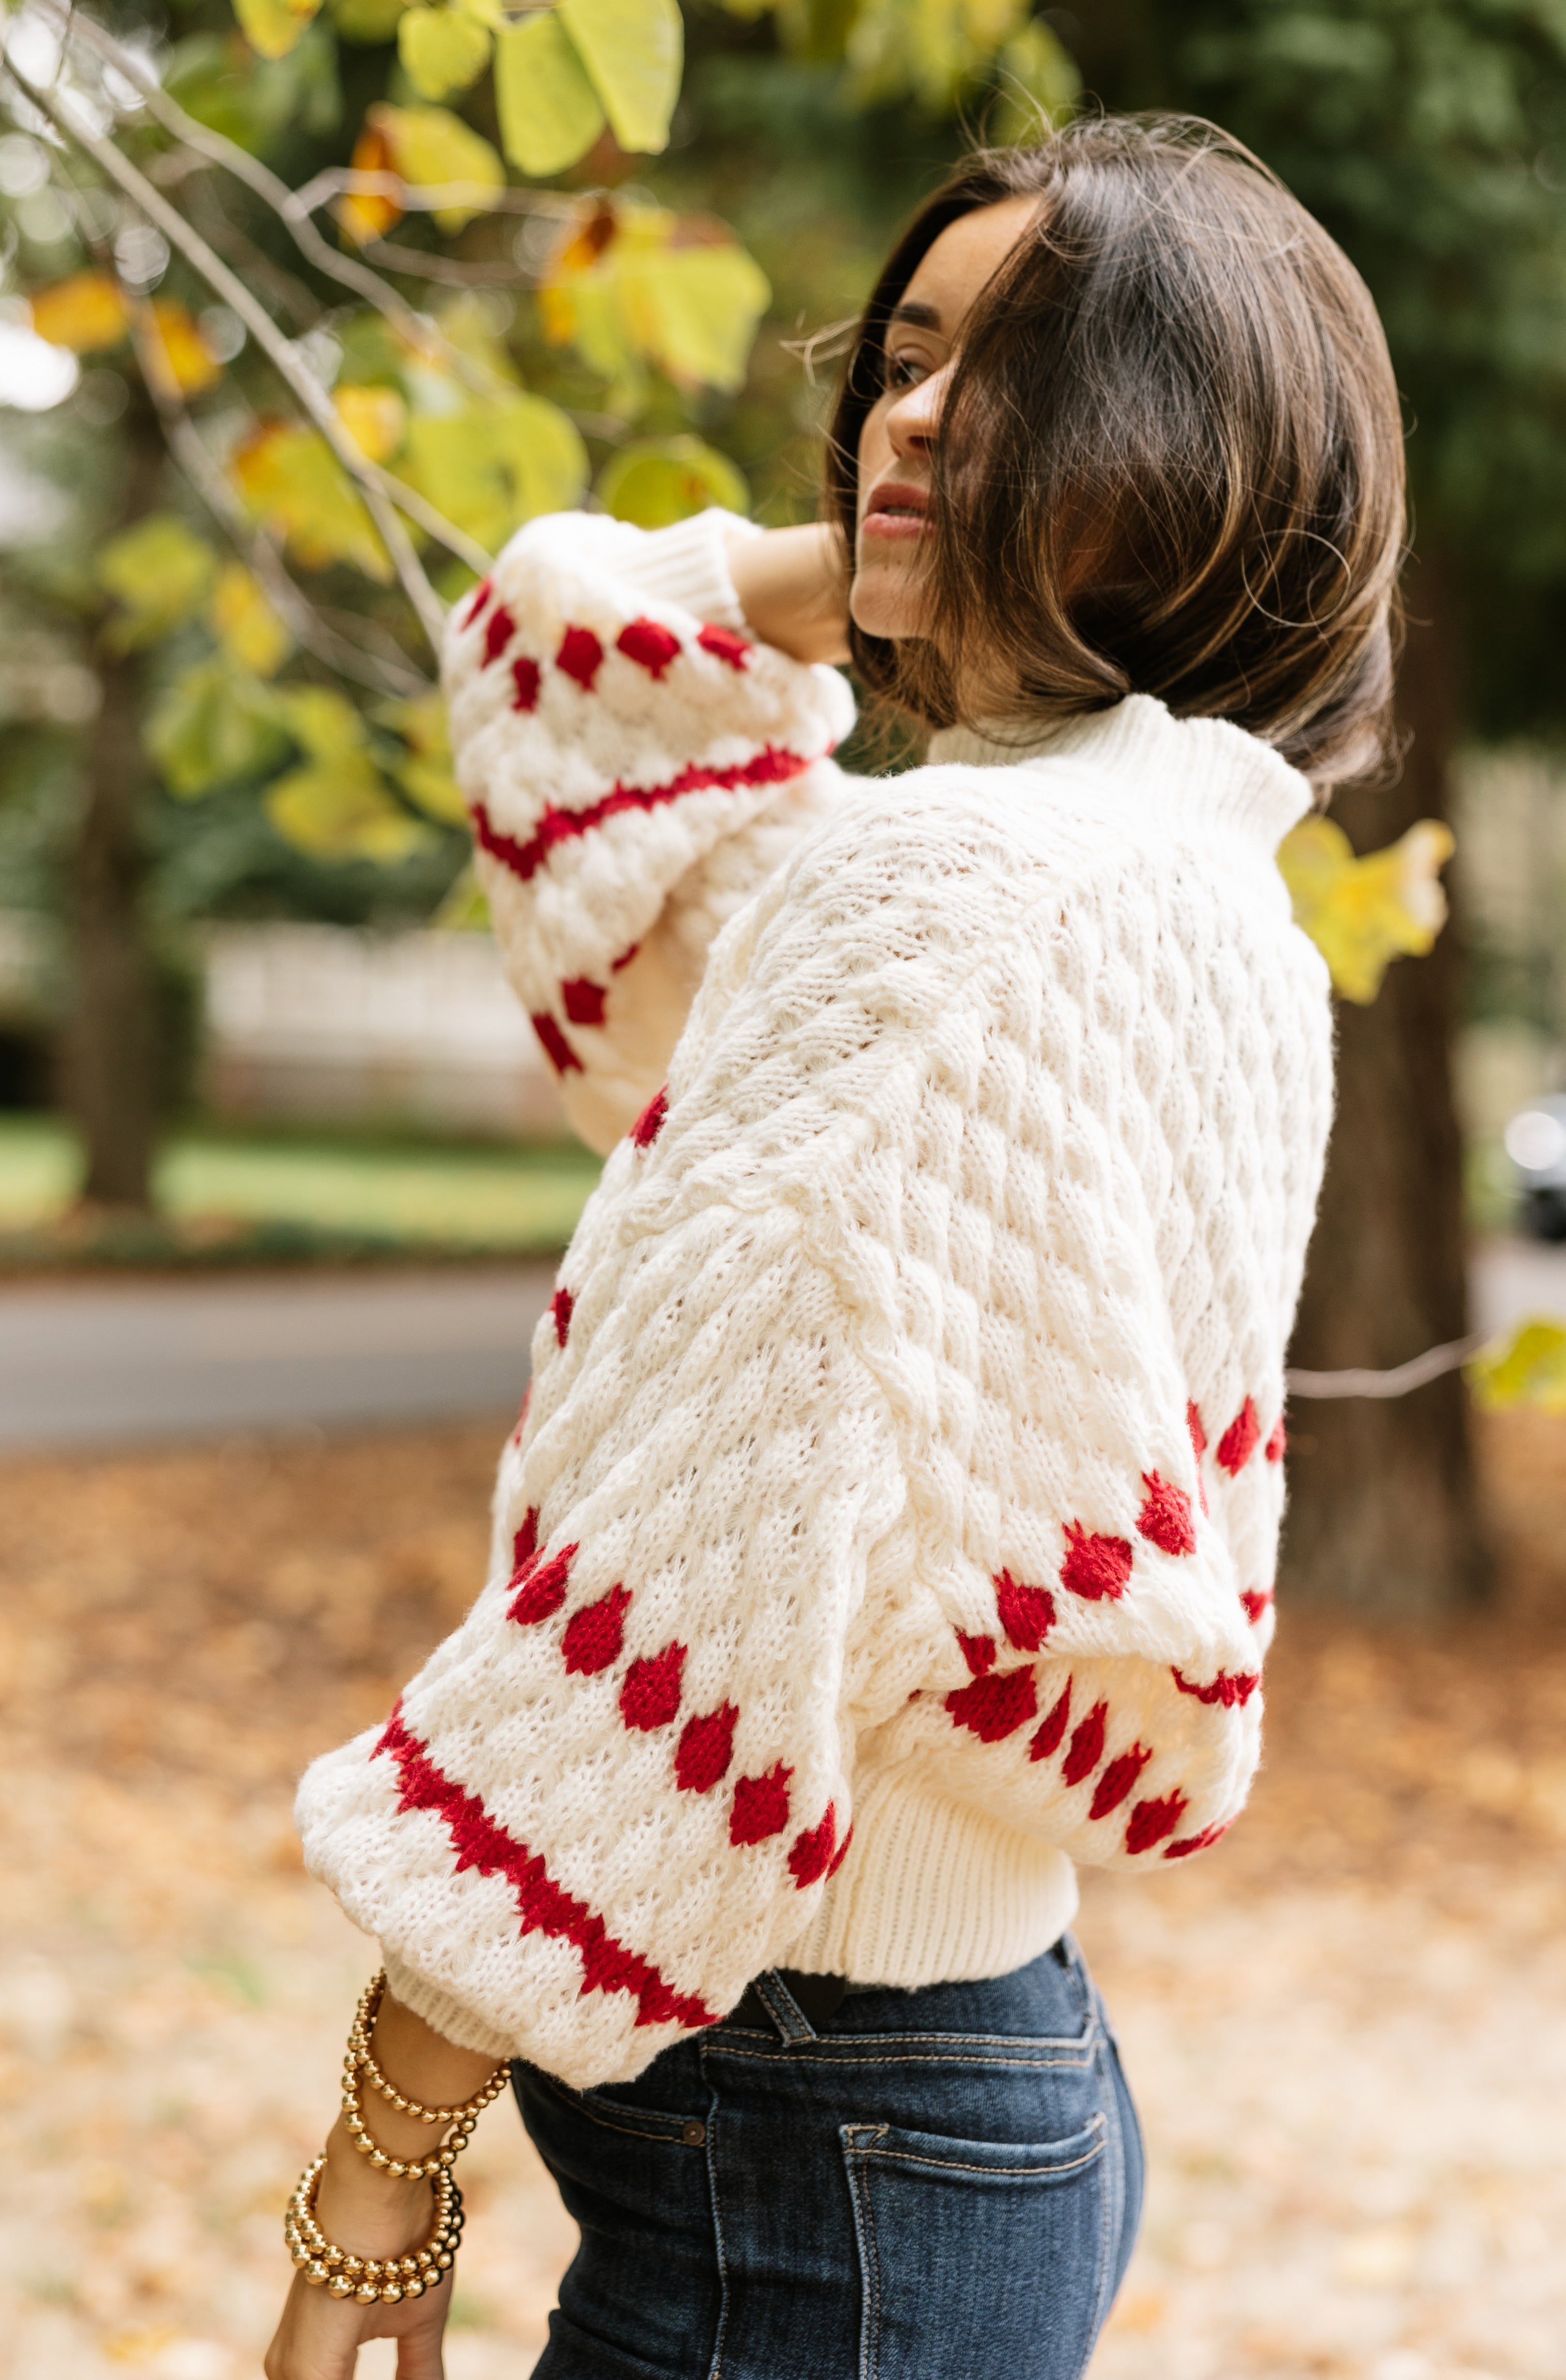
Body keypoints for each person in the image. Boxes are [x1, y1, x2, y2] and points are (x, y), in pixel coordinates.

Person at [266, 112, 1404, 2380]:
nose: (911, 412)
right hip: (974, 2082)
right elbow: (564, 667)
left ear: (1189, 451)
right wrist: (913, 544)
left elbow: (697, 1542)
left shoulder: (942, 908)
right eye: (904, 355)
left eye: (1021, 375)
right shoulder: (1183, 883)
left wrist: (386, 2146)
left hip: (800, 2119)